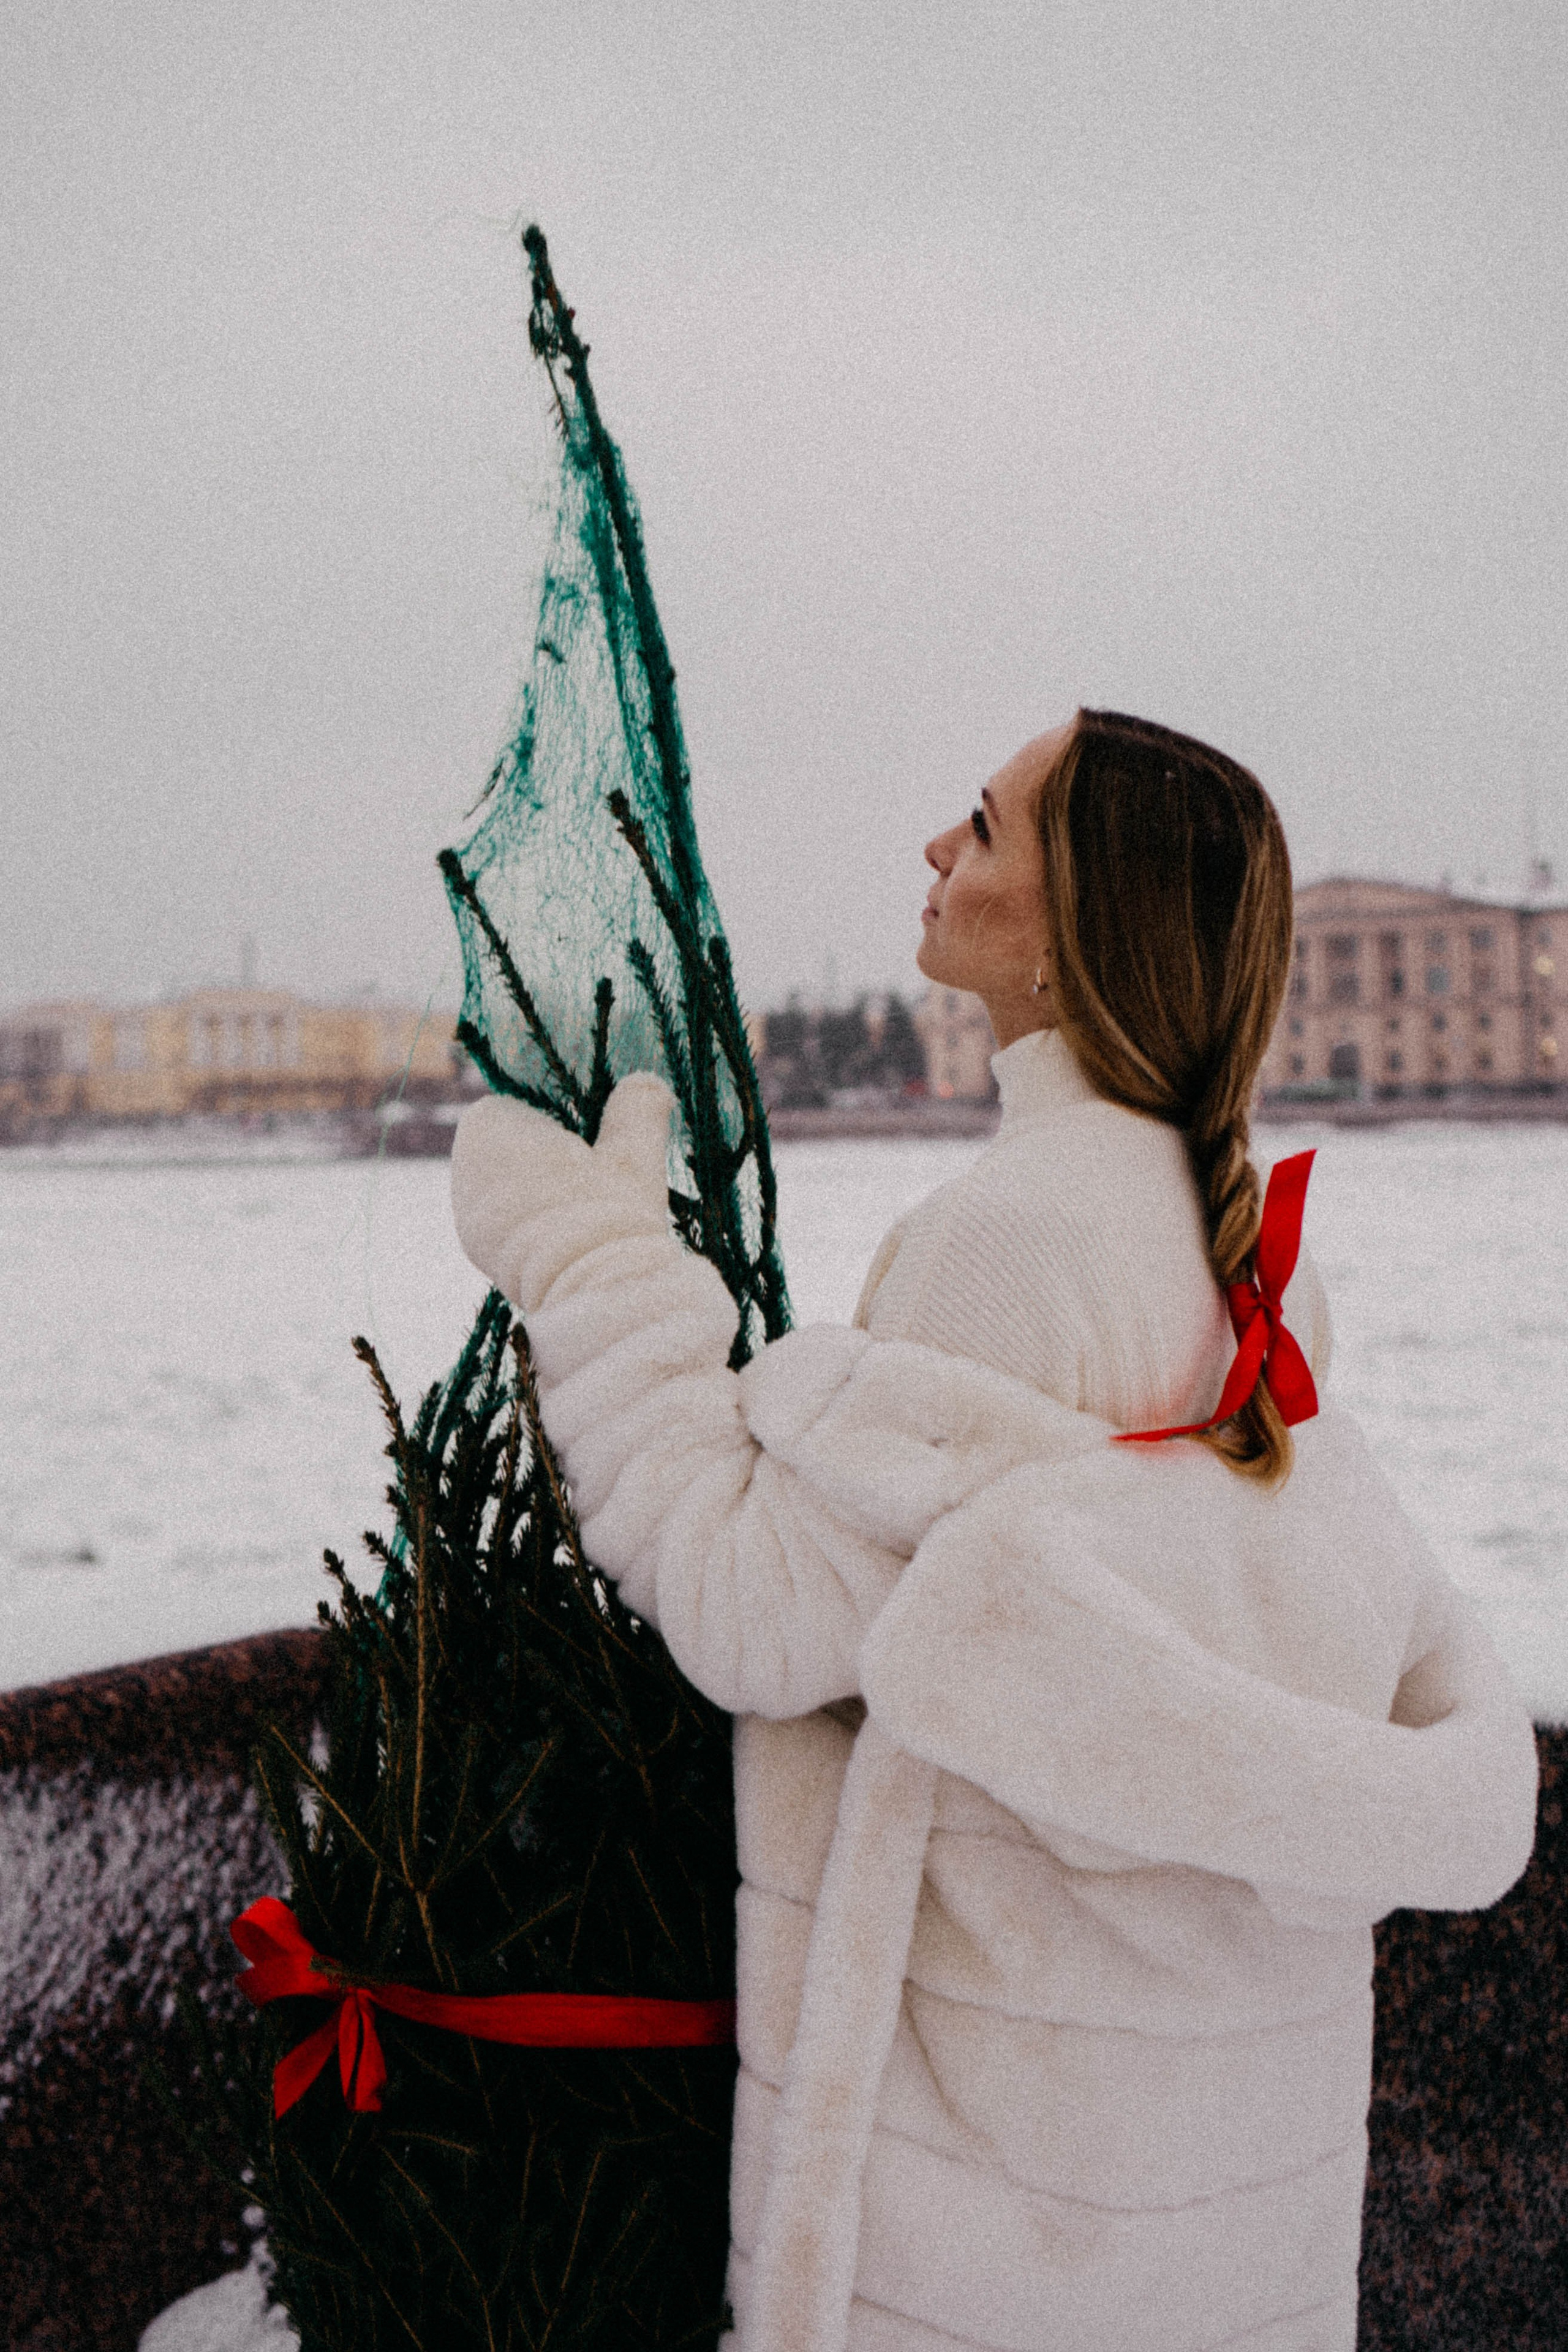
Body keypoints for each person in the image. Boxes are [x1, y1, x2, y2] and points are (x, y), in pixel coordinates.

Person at [450, 708, 1537, 2352]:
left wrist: (597, 1267)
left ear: (1074, 927)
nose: (937, 852)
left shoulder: (1004, 1242)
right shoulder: (1256, 1257)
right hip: (1222, 2204)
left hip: (994, 2229)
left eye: (985, 824)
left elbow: (754, 1611)